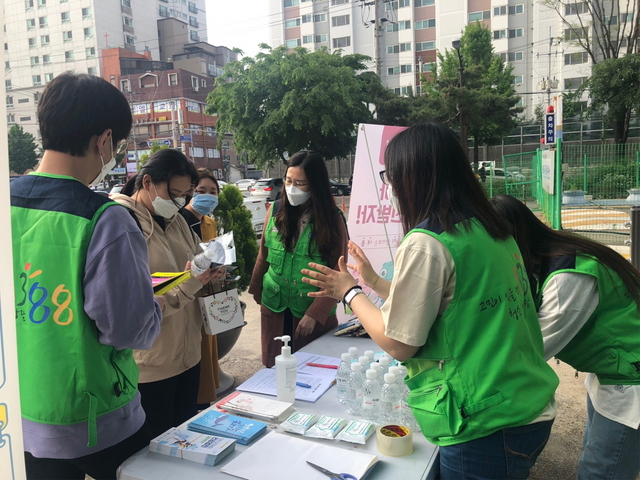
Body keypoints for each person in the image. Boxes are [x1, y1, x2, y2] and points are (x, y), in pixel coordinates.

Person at [302, 123, 559, 479]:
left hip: (486, 420)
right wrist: (374, 281)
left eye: (389, 176)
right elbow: (449, 306)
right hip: (524, 401)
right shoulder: (489, 229)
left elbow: (398, 341)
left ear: (414, 176)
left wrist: (349, 292)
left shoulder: (428, 242)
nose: (388, 186)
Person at [10, 73, 163, 479]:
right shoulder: (105, 219)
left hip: (17, 412)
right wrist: (156, 307)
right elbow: (128, 329)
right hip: (97, 419)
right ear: (104, 140)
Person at [490, 194, 640, 480]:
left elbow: (533, 348)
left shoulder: (567, 277)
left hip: (630, 380)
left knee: (602, 472)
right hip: (610, 370)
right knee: (595, 456)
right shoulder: (544, 260)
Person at [115, 150, 226, 438]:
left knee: (183, 446)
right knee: (153, 453)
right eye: (174, 193)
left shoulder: (176, 220)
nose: (180, 202)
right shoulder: (122, 222)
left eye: (184, 194)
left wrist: (210, 272)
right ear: (148, 182)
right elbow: (140, 293)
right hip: (150, 365)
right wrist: (191, 281)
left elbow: (191, 266)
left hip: (187, 357)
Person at [249, 150, 349, 367]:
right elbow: (263, 256)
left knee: (311, 375)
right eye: (288, 180)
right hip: (274, 310)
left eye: (301, 183)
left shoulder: (333, 219)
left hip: (311, 316)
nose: (292, 188)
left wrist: (315, 313)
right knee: (274, 371)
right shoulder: (275, 210)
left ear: (315, 185)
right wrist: (256, 290)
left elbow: (338, 272)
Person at [179, 168, 223, 407]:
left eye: (212, 192)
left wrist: (221, 270)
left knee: (207, 352)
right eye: (200, 191)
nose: (207, 196)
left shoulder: (210, 223)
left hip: (208, 297)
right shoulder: (179, 220)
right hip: (185, 297)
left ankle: (204, 400)